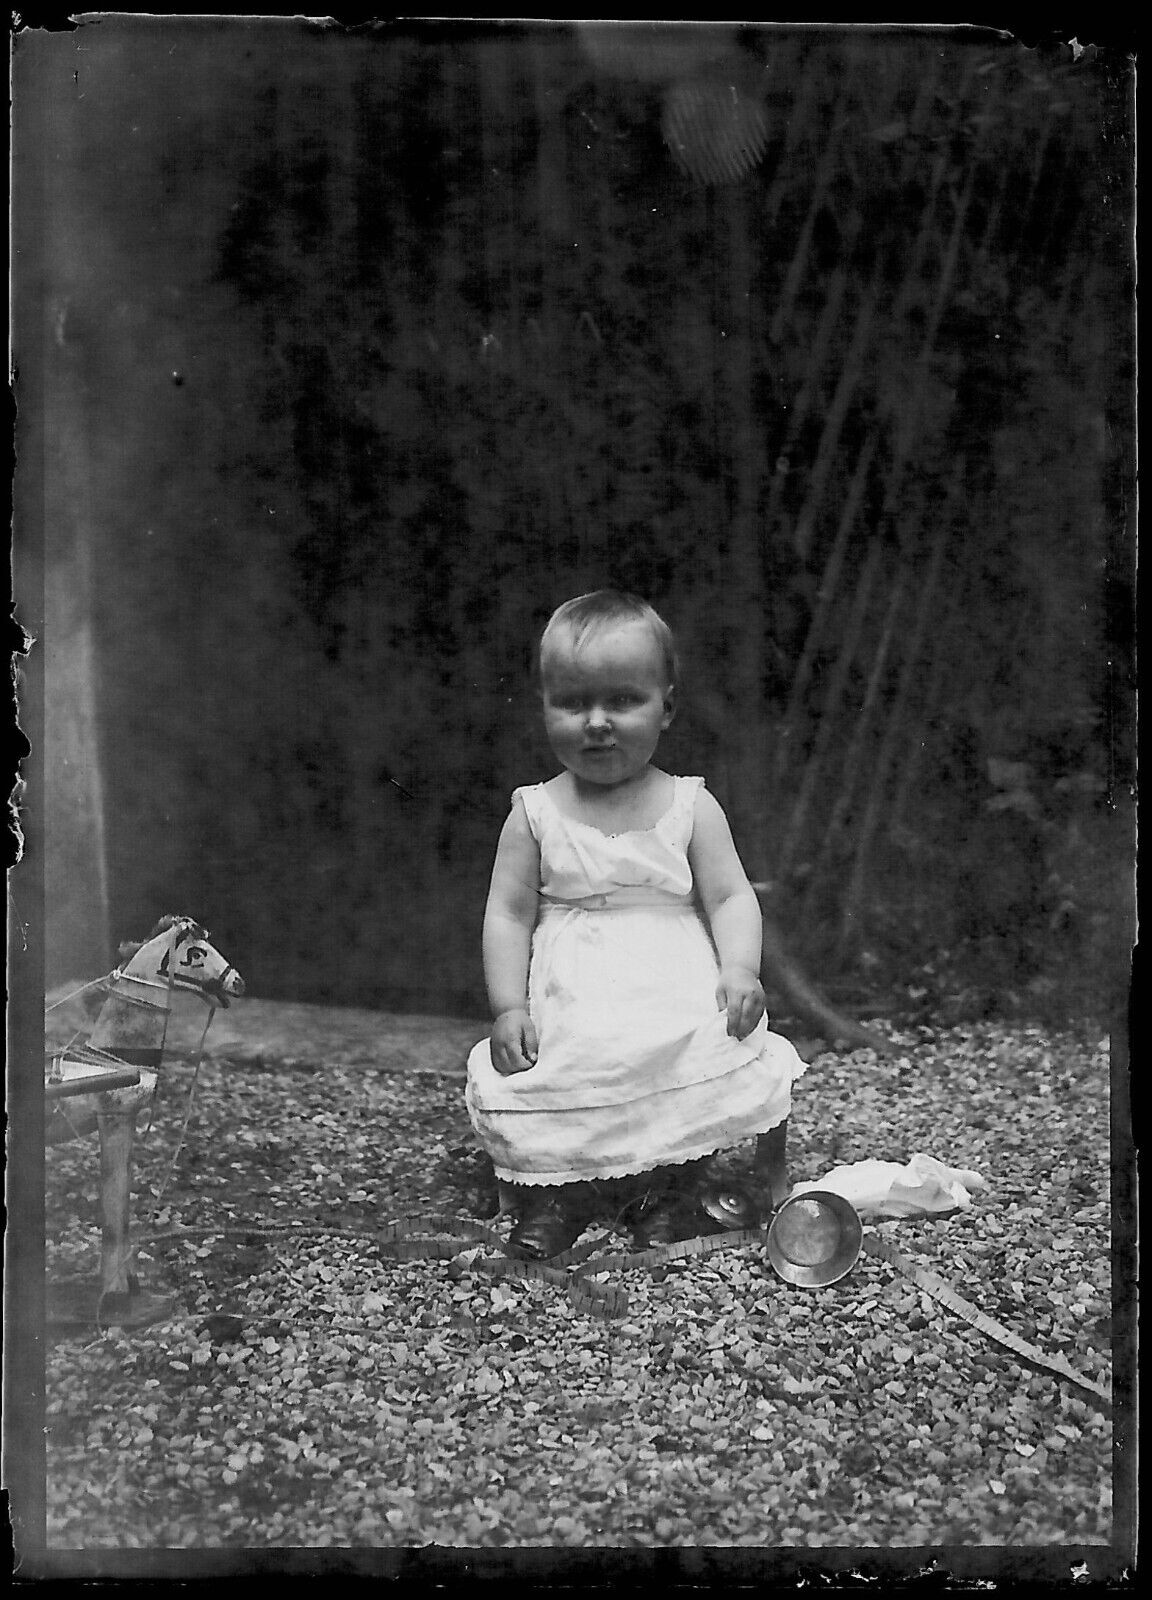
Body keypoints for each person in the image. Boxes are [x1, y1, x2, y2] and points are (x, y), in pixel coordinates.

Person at [465, 589, 806, 1261]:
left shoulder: (690, 805)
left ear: (666, 708)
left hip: (668, 986)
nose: (597, 722)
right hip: (575, 990)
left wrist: (739, 968)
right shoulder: (535, 813)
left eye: (622, 702)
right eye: (572, 703)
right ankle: (561, 1191)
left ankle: (666, 1187)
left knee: (687, 1049)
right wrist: (508, 1006)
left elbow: (732, 895)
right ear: (544, 708)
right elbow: (507, 911)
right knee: (566, 1063)